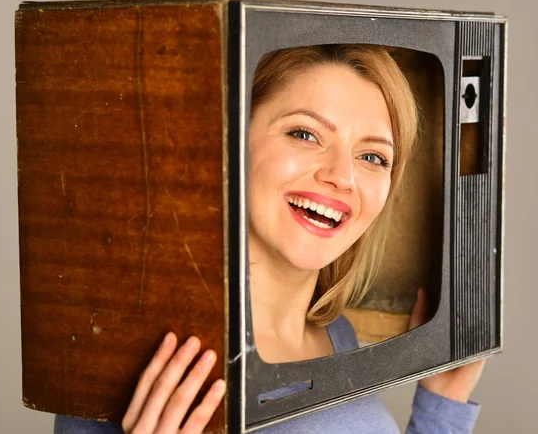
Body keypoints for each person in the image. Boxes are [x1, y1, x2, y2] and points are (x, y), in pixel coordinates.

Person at [54, 45, 485, 434]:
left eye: (372, 156)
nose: (342, 176)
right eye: (305, 134)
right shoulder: (132, 356)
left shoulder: (337, 334)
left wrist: (441, 408)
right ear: (228, 140)